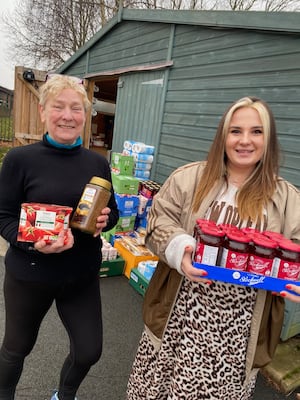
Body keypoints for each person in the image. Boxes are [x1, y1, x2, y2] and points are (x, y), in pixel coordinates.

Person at [126, 96, 300, 400]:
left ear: (268, 139)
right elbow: (157, 222)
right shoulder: (189, 178)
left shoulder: (287, 198)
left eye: (256, 132)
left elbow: (295, 249)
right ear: (223, 135)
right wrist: (180, 248)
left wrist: (292, 276)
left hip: (239, 331)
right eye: (236, 131)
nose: (245, 141)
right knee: (155, 391)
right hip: (178, 316)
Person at [0, 74, 119, 400]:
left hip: (80, 276)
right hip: (30, 275)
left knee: (88, 351)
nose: (68, 116)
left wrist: (106, 220)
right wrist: (30, 242)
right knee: (16, 348)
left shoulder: (98, 162)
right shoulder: (19, 160)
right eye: (59, 107)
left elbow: (114, 215)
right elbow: (4, 217)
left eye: (76, 108)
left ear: (85, 114)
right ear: (43, 111)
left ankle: (64, 395)